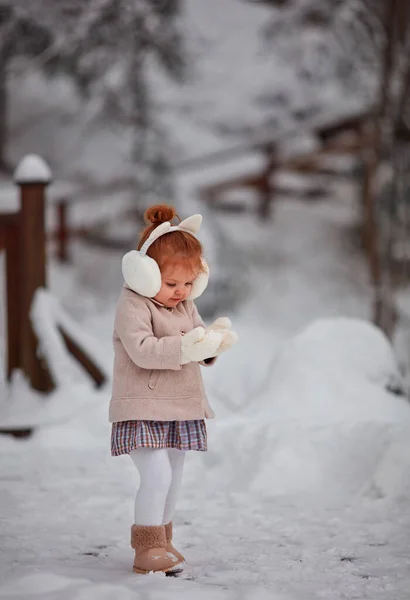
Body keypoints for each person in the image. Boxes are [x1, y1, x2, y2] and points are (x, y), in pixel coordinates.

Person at [109, 204, 238, 575]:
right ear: (145, 274)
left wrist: (211, 346)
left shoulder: (186, 304)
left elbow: (195, 340)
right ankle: (146, 549)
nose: (181, 292)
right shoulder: (133, 303)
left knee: (175, 475)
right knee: (157, 475)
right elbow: (142, 350)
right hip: (142, 406)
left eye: (188, 283)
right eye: (171, 284)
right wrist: (185, 348)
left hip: (178, 407)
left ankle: (163, 539)